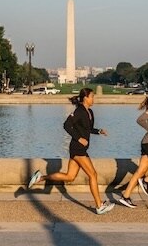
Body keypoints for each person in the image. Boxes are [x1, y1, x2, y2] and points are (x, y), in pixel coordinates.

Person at [28, 87, 115, 215]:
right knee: (93, 175)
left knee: (70, 176)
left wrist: (99, 131)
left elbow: (89, 129)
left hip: (81, 148)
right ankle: (99, 205)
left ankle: (41, 177)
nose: (93, 99)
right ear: (86, 98)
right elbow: (66, 125)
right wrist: (79, 138)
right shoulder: (79, 111)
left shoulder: (89, 112)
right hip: (77, 148)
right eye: (92, 96)